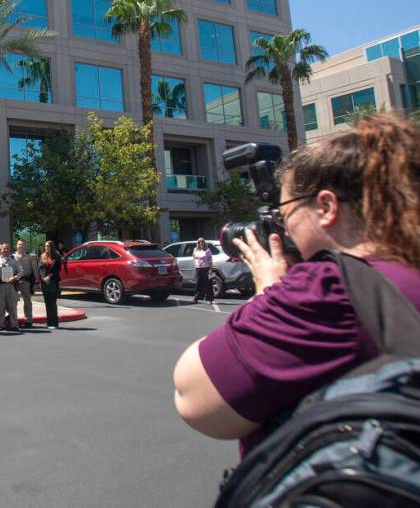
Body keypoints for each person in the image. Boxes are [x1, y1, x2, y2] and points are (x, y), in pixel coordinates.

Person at [173, 113, 420, 456]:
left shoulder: (330, 288)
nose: (282, 226)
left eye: (284, 210)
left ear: (326, 207)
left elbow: (194, 397)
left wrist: (269, 293)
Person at [0, 243, 23, 331]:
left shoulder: (14, 260)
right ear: (0, 250)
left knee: (12, 306)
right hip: (0, 286)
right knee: (0, 306)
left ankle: (14, 325)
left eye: (7, 248)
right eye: (4, 248)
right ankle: (1, 325)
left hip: (11, 286)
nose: (5, 250)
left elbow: (21, 272)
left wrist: (15, 277)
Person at [38, 241, 62, 329]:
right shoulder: (42, 256)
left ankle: (54, 323)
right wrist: (44, 278)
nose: (46, 247)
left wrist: (49, 277)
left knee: (53, 303)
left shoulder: (57, 256)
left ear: (52, 247)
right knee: (47, 303)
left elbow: (57, 269)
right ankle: (49, 323)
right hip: (45, 283)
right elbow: (40, 268)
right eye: (45, 246)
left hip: (53, 282)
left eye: (48, 246)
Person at [14, 240, 37, 328]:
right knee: (13, 302)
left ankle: (28, 320)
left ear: (25, 246)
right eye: (19, 244)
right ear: (17, 245)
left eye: (22, 245)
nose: (21, 246)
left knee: (27, 302)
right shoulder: (12, 256)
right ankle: (13, 319)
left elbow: (34, 270)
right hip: (15, 282)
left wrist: (35, 283)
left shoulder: (30, 257)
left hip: (26, 282)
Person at [191, 238, 214, 304]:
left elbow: (210, 260)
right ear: (198, 243)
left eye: (202, 242)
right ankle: (196, 298)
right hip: (198, 268)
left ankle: (210, 299)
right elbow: (193, 256)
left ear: (204, 243)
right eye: (199, 242)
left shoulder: (207, 250)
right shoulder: (195, 249)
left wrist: (210, 269)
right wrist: (196, 260)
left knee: (207, 283)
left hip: (206, 268)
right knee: (198, 283)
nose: (201, 243)